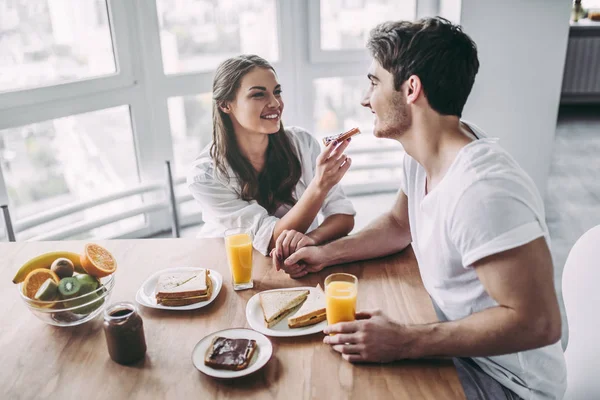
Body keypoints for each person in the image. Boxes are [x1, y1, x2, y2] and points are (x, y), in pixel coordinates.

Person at [282, 18, 566, 400]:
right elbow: (400, 224)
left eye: (373, 82)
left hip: (509, 383)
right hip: (460, 350)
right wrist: (324, 253)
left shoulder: (483, 191)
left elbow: (539, 323)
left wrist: (404, 341)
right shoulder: (425, 152)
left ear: (411, 88)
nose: (365, 99)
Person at [187, 55, 356, 261]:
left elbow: (344, 217)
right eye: (258, 95)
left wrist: (310, 241)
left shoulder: (302, 143)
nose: (275, 103)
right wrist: (319, 185)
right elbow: (272, 240)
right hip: (236, 268)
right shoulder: (205, 175)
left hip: (299, 264)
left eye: (277, 92)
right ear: (225, 105)